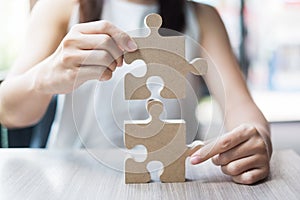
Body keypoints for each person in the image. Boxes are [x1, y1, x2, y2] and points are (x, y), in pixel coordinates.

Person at [0, 0, 272, 185]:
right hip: (72, 179)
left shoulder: (201, 16)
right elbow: (8, 112)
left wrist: (256, 138)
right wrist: (45, 75)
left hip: (174, 182)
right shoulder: (61, 6)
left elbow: (239, 107)